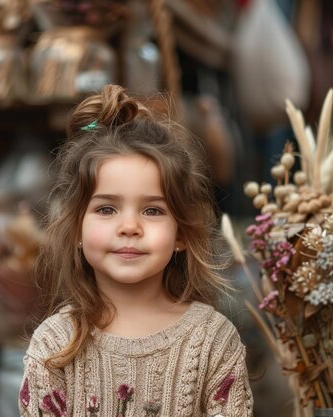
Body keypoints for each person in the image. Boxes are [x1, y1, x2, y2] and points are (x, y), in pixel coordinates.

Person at [19, 85, 253, 417]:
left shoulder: (212, 340)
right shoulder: (54, 346)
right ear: (76, 230)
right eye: (106, 209)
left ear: (182, 233)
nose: (130, 226)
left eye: (153, 210)